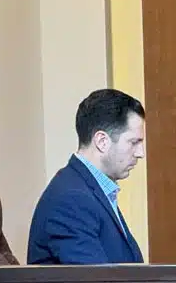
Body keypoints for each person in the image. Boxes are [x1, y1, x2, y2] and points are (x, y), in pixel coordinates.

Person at [28, 89, 146, 265]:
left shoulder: (88, 189)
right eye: (134, 142)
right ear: (102, 141)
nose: (141, 153)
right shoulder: (71, 200)